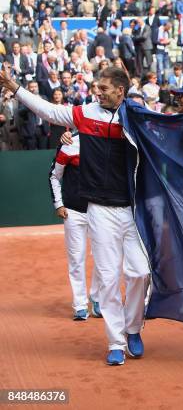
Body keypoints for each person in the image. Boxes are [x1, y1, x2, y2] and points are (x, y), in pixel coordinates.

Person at [0, 67, 150, 367]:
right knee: (108, 278)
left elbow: (170, 130)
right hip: (99, 210)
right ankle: (116, 341)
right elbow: (51, 111)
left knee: (140, 273)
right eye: (97, 86)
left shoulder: (136, 115)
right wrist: (16, 89)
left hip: (133, 210)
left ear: (120, 90)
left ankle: (133, 326)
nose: (98, 91)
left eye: (104, 87)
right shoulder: (85, 113)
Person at [49, 133, 102, 320]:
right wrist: (59, 204)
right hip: (73, 211)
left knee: (103, 258)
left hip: (101, 211)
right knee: (76, 259)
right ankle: (80, 305)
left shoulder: (108, 139)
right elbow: (54, 176)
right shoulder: (70, 142)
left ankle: (97, 299)